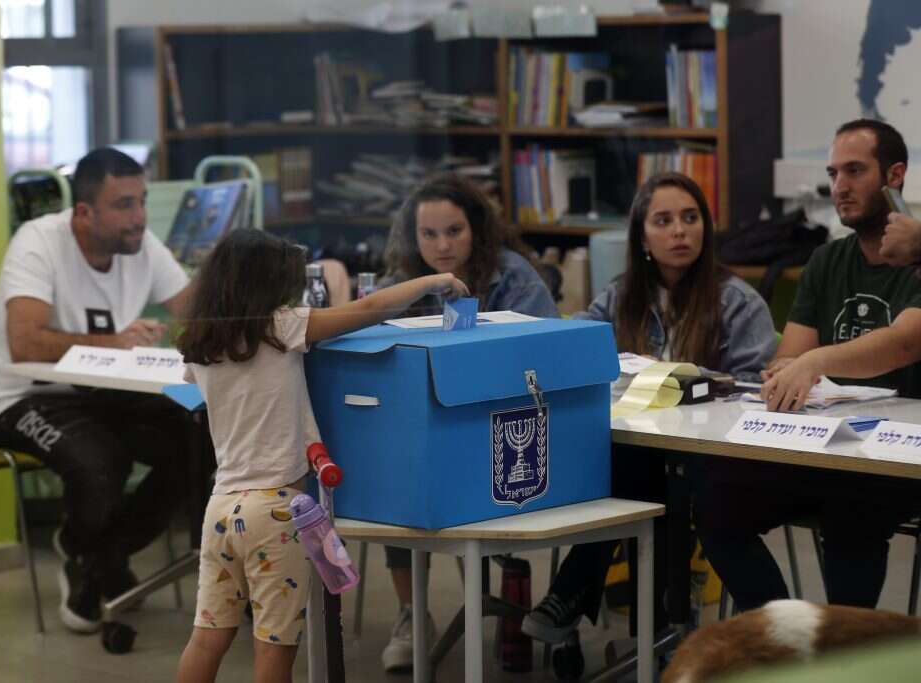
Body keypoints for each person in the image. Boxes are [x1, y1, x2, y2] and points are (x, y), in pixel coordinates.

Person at [175, 229, 468, 683]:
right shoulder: (283, 326)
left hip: (220, 509)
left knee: (207, 637)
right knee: (274, 646)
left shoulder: (200, 347)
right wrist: (431, 283)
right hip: (275, 512)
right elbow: (368, 310)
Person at [521, 172, 776, 654]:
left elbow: (752, 394)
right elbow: (575, 347)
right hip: (642, 450)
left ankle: (574, 592)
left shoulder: (738, 301)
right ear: (642, 237)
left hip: (715, 458)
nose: (680, 230)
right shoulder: (621, 297)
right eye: (664, 220)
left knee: (638, 475)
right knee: (629, 467)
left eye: (690, 218)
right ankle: (656, 634)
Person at [698, 119, 921, 614]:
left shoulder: (918, 261)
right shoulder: (826, 260)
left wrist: (816, 361)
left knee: (852, 512)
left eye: (855, 171)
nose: (839, 186)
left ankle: (841, 657)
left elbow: (905, 343)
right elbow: (790, 357)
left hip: (895, 456)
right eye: (833, 172)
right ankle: (790, 639)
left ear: (895, 175)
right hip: (821, 443)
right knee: (717, 504)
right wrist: (787, 370)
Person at [0, 148, 193, 633]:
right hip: (23, 397)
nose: (139, 218)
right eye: (124, 205)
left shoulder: (142, 244)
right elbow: (24, 341)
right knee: (102, 463)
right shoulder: (38, 243)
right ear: (84, 212)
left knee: (199, 437)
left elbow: (196, 310)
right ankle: (89, 553)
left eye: (142, 201)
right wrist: (111, 342)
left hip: (103, 392)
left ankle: (97, 557)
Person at [378, 172, 560, 672]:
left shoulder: (513, 276)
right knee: (396, 469)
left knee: (435, 469)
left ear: (477, 230)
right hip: (425, 431)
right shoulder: (401, 283)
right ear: (412, 239)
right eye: (429, 235)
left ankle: (483, 603)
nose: (442, 245)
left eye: (454, 231)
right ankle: (413, 613)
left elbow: (542, 354)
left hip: (504, 429)